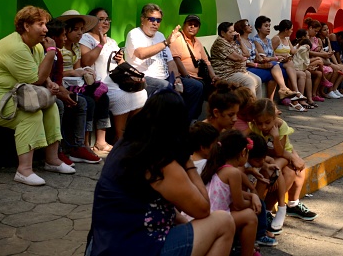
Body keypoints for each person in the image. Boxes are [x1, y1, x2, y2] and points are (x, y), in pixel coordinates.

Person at [89, 90, 235, 255]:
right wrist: (188, 164)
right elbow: (202, 209)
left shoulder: (126, 143)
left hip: (105, 243)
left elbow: (158, 206)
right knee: (224, 222)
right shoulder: (159, 160)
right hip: (132, 247)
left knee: (190, 225)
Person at [0, 6, 75, 186]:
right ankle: (24, 170)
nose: (45, 29)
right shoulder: (15, 47)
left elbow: (40, 73)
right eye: (40, 24)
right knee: (30, 114)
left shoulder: (36, 47)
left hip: (11, 95)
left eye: (45, 24)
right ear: (26, 26)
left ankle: (52, 160)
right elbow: (34, 79)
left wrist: (49, 82)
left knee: (51, 106)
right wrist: (51, 51)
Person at [125, 3, 203, 122]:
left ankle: (185, 123)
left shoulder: (159, 35)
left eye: (158, 20)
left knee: (195, 86)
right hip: (144, 78)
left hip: (167, 77)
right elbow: (141, 54)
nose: (155, 23)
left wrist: (177, 77)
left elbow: (170, 60)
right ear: (142, 19)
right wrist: (166, 43)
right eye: (151, 19)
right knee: (165, 86)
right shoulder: (134, 34)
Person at [80, 7, 147, 143]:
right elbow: (86, 61)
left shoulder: (111, 41)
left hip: (115, 81)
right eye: (101, 19)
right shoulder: (86, 39)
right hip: (98, 83)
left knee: (141, 93)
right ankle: (119, 137)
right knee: (122, 97)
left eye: (107, 20)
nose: (105, 23)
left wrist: (121, 60)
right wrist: (100, 45)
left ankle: (131, 134)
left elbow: (121, 64)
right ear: (93, 22)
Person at [248, 99, 317, 226]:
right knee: (280, 173)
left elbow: (279, 152)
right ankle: (267, 210)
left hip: (283, 154)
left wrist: (275, 137)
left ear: (275, 117)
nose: (263, 127)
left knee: (298, 171)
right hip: (269, 156)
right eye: (260, 124)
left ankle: (292, 204)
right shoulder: (253, 127)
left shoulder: (281, 126)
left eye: (267, 122)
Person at [57, 10, 109, 163]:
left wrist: (84, 72)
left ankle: (93, 142)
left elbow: (78, 68)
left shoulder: (75, 47)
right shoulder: (59, 47)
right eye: (76, 29)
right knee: (87, 102)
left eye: (82, 29)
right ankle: (79, 144)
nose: (80, 33)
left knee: (102, 96)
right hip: (61, 85)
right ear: (66, 30)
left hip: (74, 84)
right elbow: (56, 72)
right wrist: (74, 72)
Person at [201, 130, 262, 256]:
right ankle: (248, 253)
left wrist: (252, 196)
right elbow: (239, 204)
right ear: (243, 152)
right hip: (213, 220)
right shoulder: (234, 172)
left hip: (204, 218)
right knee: (250, 216)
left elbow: (232, 192)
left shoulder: (217, 166)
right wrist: (253, 202)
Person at [46, 18, 90, 166]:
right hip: (43, 92)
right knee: (58, 105)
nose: (65, 39)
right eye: (63, 35)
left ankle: (77, 146)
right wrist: (60, 92)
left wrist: (63, 91)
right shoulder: (44, 52)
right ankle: (56, 151)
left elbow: (57, 78)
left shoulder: (59, 52)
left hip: (57, 88)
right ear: (53, 38)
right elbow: (39, 78)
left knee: (81, 101)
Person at [235, 18, 299, 101]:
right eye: (248, 25)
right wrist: (262, 63)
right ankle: (286, 92)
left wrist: (263, 60)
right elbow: (245, 58)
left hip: (258, 64)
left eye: (269, 26)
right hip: (248, 67)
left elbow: (259, 56)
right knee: (275, 69)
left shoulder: (250, 41)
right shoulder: (241, 41)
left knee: (283, 68)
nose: (250, 26)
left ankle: (273, 101)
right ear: (241, 27)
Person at [170, 15, 219, 101]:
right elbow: (176, 60)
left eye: (195, 25)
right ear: (184, 25)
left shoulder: (197, 42)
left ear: (198, 28)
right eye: (190, 24)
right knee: (197, 86)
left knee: (218, 86)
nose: (192, 27)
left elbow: (206, 61)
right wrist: (187, 76)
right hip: (182, 76)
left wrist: (214, 76)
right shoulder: (178, 38)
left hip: (198, 76)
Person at [209, 22, 262, 98]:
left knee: (258, 79)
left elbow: (247, 54)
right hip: (226, 74)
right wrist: (242, 58)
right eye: (230, 32)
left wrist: (240, 41)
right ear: (222, 33)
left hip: (238, 71)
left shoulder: (232, 42)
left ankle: (258, 106)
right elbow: (237, 58)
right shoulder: (220, 42)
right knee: (249, 81)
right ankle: (251, 107)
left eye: (234, 31)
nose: (233, 34)